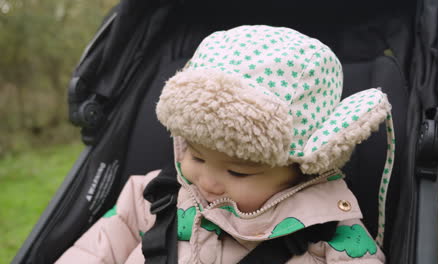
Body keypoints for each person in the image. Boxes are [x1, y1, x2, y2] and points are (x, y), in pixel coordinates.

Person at [57, 25, 393, 263]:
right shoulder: (150, 196)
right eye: (196, 156)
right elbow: (94, 251)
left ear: (303, 168)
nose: (207, 182)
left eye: (238, 172)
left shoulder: (333, 237)